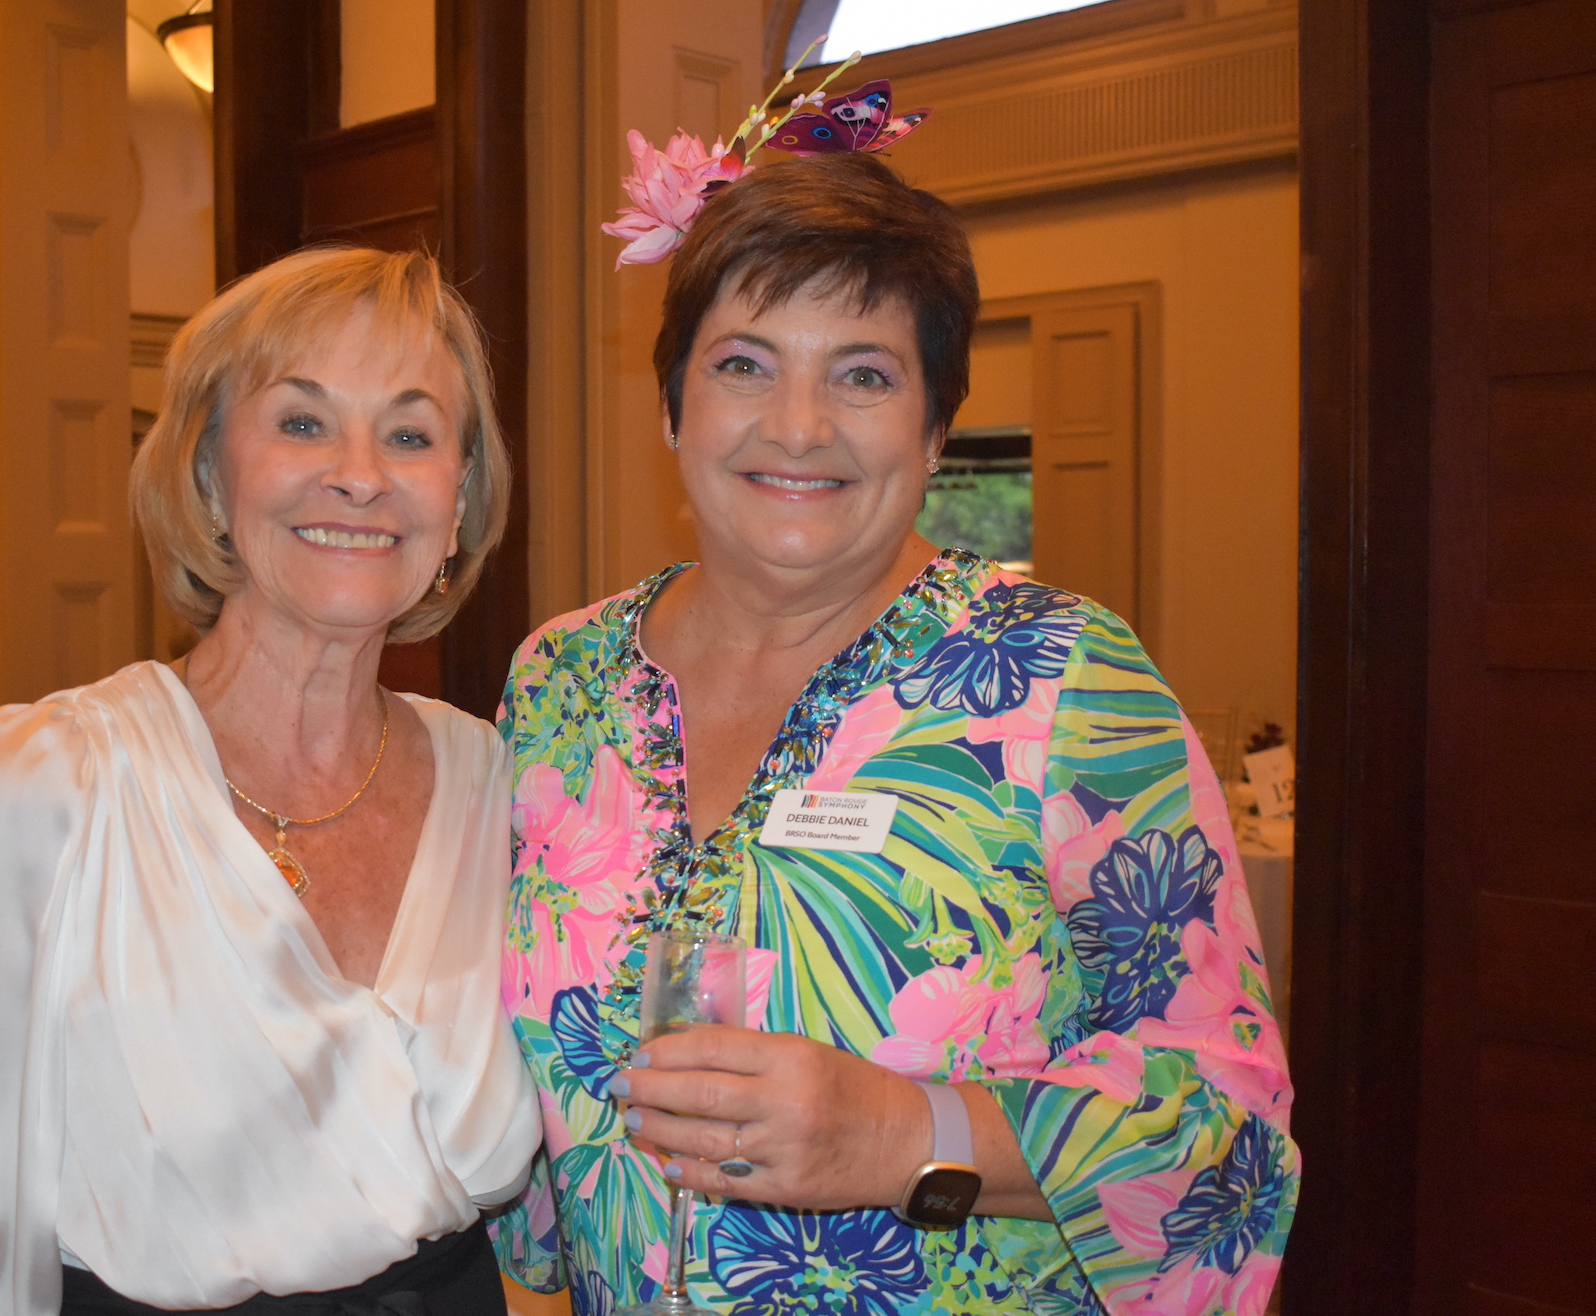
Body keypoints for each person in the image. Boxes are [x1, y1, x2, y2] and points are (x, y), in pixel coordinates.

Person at [493, 154, 1297, 1313]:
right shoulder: (558, 683)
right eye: (742, 364)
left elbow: (1226, 1132)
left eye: (862, 374)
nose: (798, 425)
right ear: (671, 405)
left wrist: (902, 1133)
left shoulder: (1063, 679)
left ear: (933, 430)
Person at [0, 247, 542, 1315]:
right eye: (302, 421)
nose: (360, 473)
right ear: (208, 474)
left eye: (409, 434)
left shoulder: (498, 785)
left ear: (460, 497)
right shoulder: (48, 787)